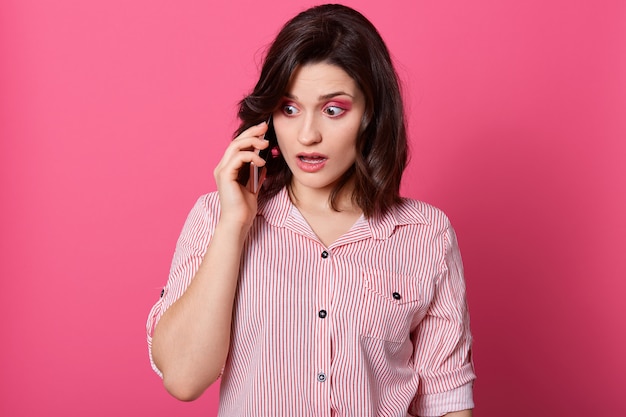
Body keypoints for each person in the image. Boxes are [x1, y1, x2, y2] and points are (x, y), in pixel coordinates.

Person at [147, 4, 475, 416]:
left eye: (333, 109)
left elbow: (446, 401)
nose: (307, 134)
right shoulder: (217, 217)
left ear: (371, 116)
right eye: (289, 108)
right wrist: (234, 225)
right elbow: (182, 377)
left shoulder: (425, 233)